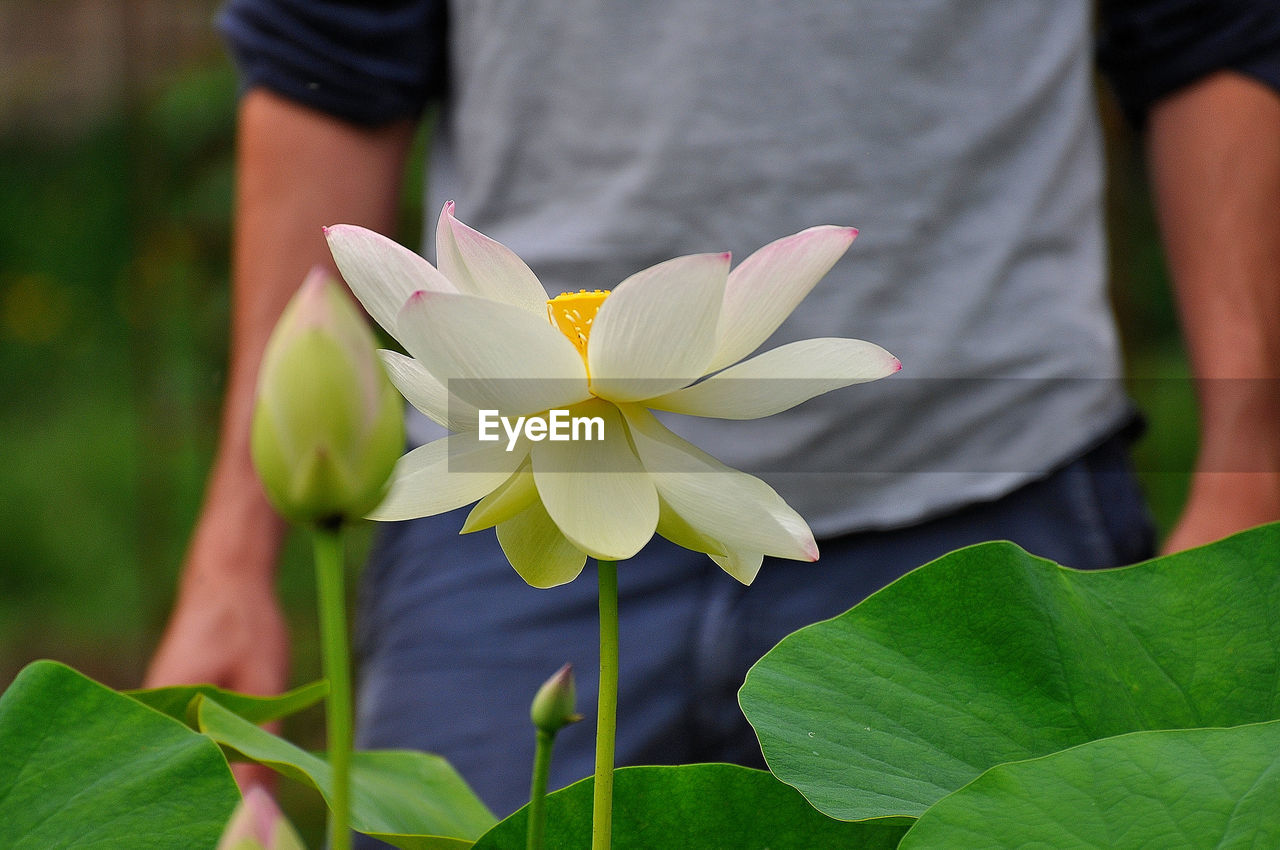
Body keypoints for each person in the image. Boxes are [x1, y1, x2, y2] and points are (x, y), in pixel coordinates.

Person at [146, 0, 1280, 828]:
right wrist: (232, 559)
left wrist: (1249, 465)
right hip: (506, 455)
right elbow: (329, 56)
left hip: (990, 473)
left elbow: (1209, 30)